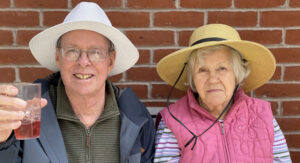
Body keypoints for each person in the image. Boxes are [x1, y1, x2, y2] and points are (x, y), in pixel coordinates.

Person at [0, 2, 155, 163]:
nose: (83, 62)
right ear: (58, 58)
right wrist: (2, 141)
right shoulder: (30, 110)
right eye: (72, 51)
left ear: (110, 61)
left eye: (95, 52)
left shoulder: (136, 118)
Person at [154, 24, 291, 162]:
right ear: (192, 78)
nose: (213, 79)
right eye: (202, 70)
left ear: (237, 75)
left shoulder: (262, 115)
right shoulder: (173, 121)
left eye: (222, 68)